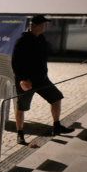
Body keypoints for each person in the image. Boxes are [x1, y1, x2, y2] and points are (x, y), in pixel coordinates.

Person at [12, 14, 74, 145]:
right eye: (42, 25)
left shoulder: (41, 38)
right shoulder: (22, 41)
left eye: (45, 25)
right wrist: (22, 80)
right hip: (26, 81)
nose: (45, 27)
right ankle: (20, 134)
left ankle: (57, 126)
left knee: (56, 97)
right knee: (21, 107)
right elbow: (15, 63)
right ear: (33, 26)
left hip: (41, 80)